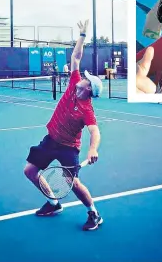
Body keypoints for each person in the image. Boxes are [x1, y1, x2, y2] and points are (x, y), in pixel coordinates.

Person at [24, 20, 104, 231]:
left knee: (74, 183)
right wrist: (83, 35)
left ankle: (94, 213)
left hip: (69, 147)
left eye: (87, 80)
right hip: (51, 140)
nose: (82, 78)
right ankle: (53, 203)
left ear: (88, 89)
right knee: (30, 171)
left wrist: (93, 148)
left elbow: (94, 130)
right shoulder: (74, 81)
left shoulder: (87, 109)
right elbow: (75, 57)